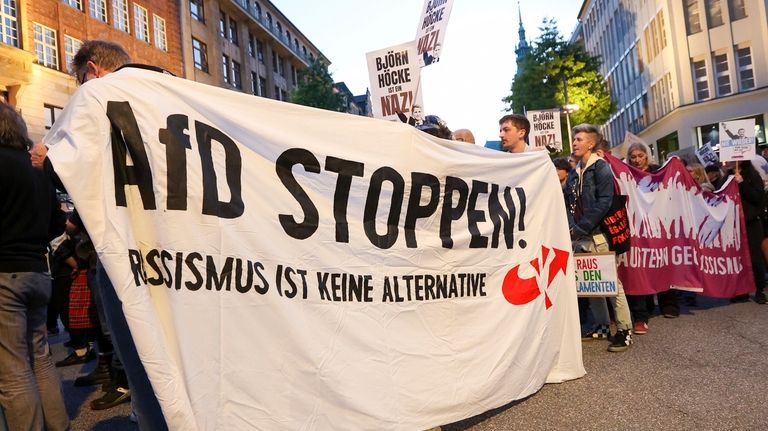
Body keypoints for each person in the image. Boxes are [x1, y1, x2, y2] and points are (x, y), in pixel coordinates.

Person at [33, 39, 169, 430]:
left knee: (136, 348)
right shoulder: (162, 92)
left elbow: (92, 174)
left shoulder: (98, 96)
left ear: (92, 70)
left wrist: (50, 162)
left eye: (79, 79)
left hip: (124, 250)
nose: (80, 88)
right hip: (174, 248)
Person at [0, 102, 69, 430]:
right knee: (40, 359)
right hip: (39, 271)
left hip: (5, 274)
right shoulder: (36, 168)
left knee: (12, 371)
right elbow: (57, 224)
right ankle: (59, 426)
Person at [564, 124, 632, 352]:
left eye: (579, 139)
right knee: (590, 282)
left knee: (612, 283)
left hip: (598, 235)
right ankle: (602, 326)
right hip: (579, 236)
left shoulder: (600, 168)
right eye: (574, 139)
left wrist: (581, 226)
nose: (574, 142)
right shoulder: (575, 172)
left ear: (591, 144)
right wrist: (572, 226)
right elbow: (568, 202)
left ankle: (624, 330)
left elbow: (605, 201)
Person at [624, 140, 679, 334]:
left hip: (658, 223)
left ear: (647, 156)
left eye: (641, 156)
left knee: (662, 262)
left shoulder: (658, 172)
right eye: (633, 157)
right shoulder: (627, 175)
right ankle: (642, 310)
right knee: (641, 265)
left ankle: (669, 304)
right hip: (638, 225)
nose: (637, 160)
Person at [723, 160, 767, 304]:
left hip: (751, 223)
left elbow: (757, 197)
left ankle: (759, 290)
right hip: (734, 223)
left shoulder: (753, 175)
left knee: (755, 258)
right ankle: (742, 291)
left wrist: (742, 183)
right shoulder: (727, 176)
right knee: (738, 258)